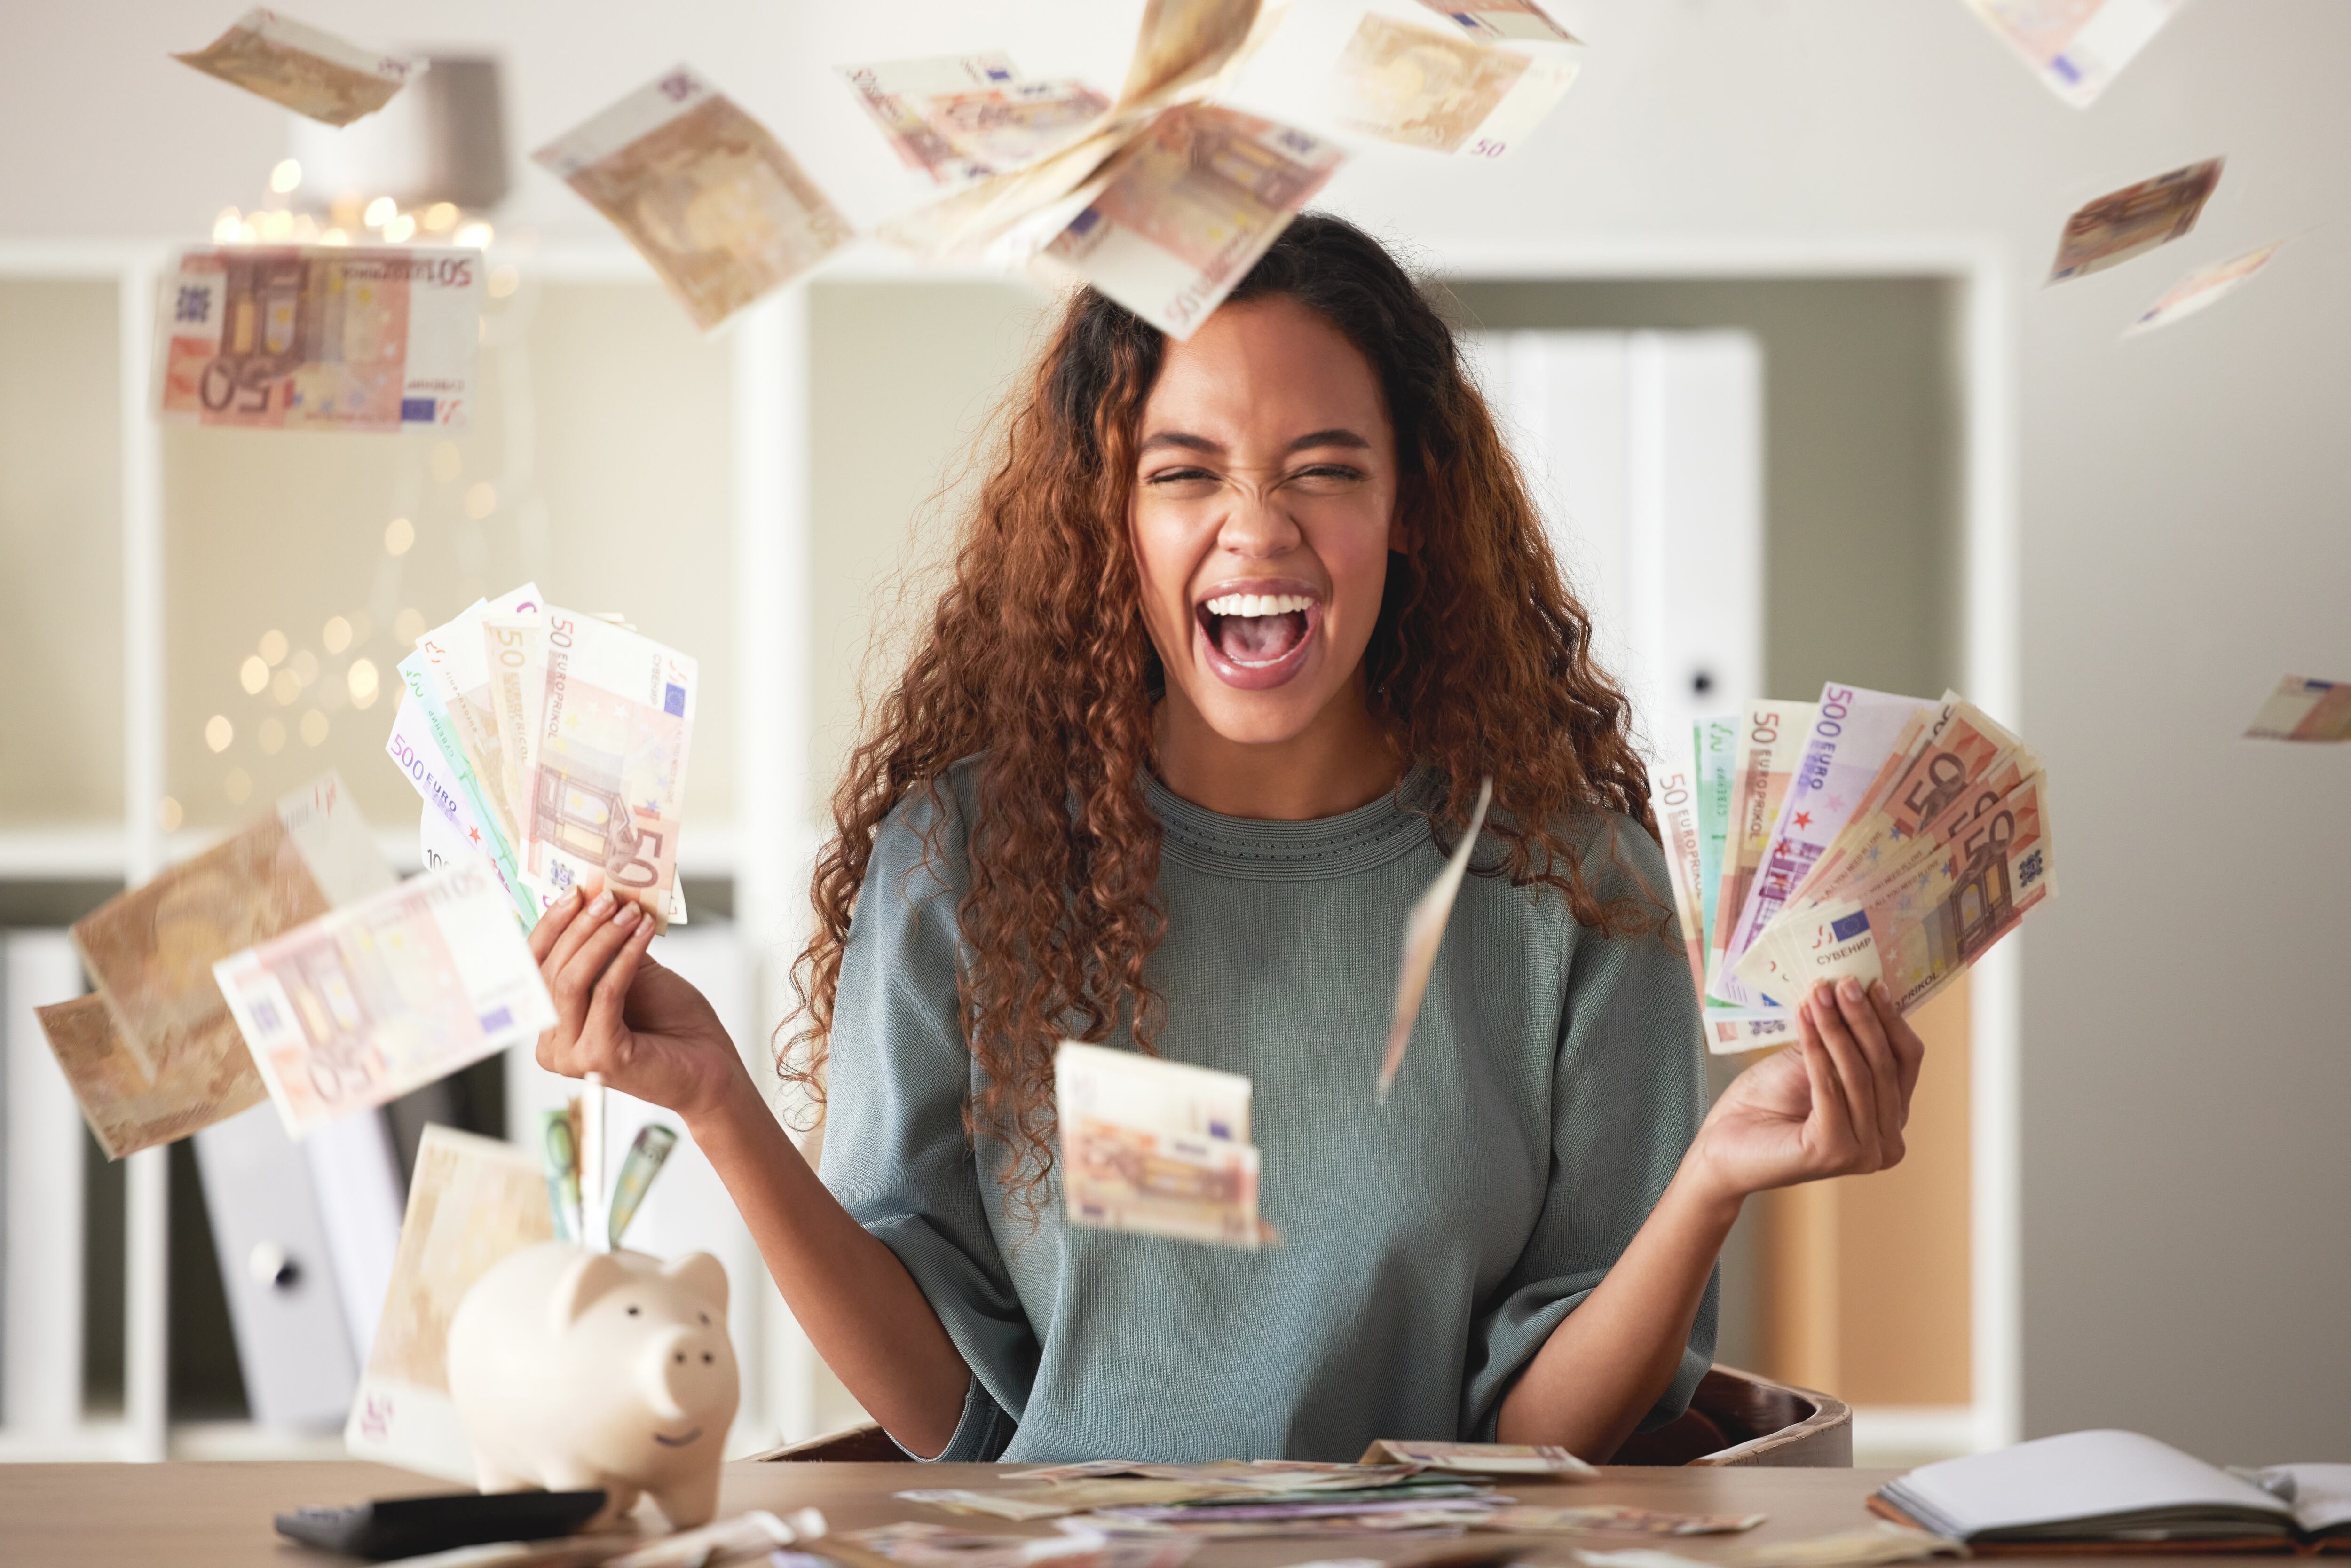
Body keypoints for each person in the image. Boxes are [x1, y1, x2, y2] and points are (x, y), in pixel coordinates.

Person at [529, 214, 1924, 1465]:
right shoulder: (960, 861)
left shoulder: (1576, 888)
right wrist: (717, 1097)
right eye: (1184, 472)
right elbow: (948, 1418)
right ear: (1107, 520)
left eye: (1325, 471)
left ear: (1413, 511)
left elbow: (1538, 1443)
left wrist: (1713, 1186)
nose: (1257, 529)